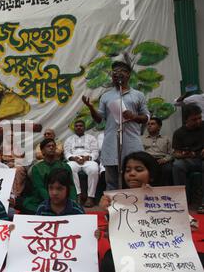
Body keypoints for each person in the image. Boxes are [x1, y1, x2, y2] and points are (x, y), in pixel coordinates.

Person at [98, 152, 162, 272]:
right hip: (129, 253)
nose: (131, 174)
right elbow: (115, 239)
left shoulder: (166, 199)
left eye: (139, 170)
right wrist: (108, 214)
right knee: (108, 268)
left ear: (152, 175)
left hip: (159, 253)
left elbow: (183, 227)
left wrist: (189, 224)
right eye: (128, 170)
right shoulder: (116, 200)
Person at [82, 61, 149, 190]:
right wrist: (91, 107)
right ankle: (113, 208)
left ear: (128, 75)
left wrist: (134, 116)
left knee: (133, 177)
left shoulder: (138, 95)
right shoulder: (106, 96)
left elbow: (146, 117)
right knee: (111, 180)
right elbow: (99, 119)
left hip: (131, 142)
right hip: (111, 142)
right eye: (115, 71)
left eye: (122, 71)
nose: (118, 73)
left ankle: (134, 207)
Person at [22, 138, 77, 214]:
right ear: (42, 151)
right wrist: (52, 202)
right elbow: (40, 188)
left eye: (53, 146)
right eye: (48, 146)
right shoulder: (36, 168)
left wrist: (73, 200)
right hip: (42, 200)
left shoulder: (65, 166)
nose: (51, 147)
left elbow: (71, 185)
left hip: (63, 199)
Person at [171, 103, 204, 212]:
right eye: (194, 119)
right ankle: (182, 200)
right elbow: (176, 154)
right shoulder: (179, 133)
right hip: (190, 161)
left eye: (200, 118)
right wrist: (185, 154)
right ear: (186, 120)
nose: (198, 121)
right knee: (177, 165)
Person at [64, 119, 100, 207]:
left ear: (84, 127)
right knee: (70, 168)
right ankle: (77, 196)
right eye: (77, 126)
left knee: (94, 169)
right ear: (74, 128)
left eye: (81, 126)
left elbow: (95, 151)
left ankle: (90, 197)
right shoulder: (69, 139)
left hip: (88, 160)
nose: (79, 127)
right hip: (74, 160)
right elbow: (66, 152)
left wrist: (87, 157)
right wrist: (73, 158)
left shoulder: (91, 138)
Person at [142, 117, 173, 186]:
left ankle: (164, 191)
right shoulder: (141, 138)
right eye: (148, 124)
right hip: (147, 160)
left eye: (152, 124)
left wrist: (165, 159)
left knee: (168, 169)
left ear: (159, 127)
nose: (149, 126)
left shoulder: (166, 138)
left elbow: (172, 153)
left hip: (162, 160)